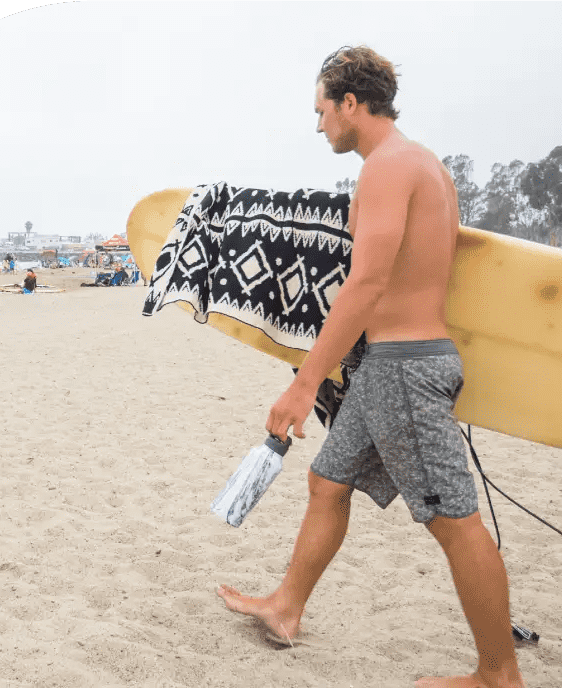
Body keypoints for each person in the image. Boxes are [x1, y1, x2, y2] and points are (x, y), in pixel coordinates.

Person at [216, 46, 525, 688]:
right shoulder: (427, 166)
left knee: (453, 521)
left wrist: (306, 384)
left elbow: (369, 280)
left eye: (322, 110)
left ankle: (499, 673)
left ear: (351, 104)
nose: (319, 124)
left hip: (406, 370)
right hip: (394, 366)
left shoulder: (386, 168)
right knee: (328, 483)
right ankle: (284, 607)